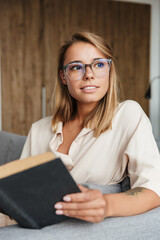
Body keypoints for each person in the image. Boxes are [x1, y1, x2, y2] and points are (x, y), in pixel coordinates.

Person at [20, 31, 160, 223]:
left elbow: (153, 190)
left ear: (109, 70)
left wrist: (106, 204)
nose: (89, 75)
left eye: (99, 64)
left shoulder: (128, 115)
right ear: (63, 76)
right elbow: (21, 191)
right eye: (76, 67)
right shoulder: (38, 130)